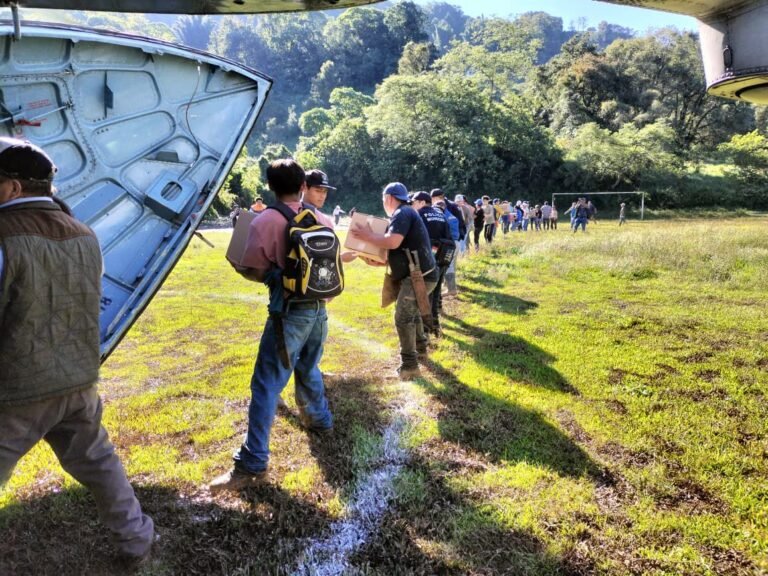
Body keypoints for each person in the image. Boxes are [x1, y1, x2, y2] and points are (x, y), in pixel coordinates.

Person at [0, 137, 155, 565]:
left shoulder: (4, 237)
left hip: (17, 390)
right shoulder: (85, 235)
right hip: (78, 380)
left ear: (12, 189)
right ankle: (136, 539)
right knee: (100, 464)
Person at [211, 159, 342, 492]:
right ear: (302, 187)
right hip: (319, 310)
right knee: (309, 366)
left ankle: (252, 463)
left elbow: (252, 267)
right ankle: (320, 420)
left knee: (266, 384)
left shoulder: (266, 220)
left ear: (270, 187)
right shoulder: (321, 218)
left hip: (288, 312)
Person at [350, 183, 437, 380]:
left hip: (419, 275)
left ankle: (410, 365)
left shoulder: (402, 213)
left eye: (383, 199)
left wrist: (368, 236)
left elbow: (393, 241)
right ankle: (421, 348)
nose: (383, 203)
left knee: (403, 317)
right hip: (421, 273)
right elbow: (400, 250)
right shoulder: (405, 213)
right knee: (411, 313)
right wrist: (378, 262)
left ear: (388, 198)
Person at [411, 191, 451, 335]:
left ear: (422, 202)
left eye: (414, 202)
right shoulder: (441, 215)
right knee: (435, 293)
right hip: (444, 257)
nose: (412, 205)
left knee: (423, 295)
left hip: (427, 259)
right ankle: (435, 325)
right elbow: (449, 236)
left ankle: (425, 331)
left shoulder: (418, 215)